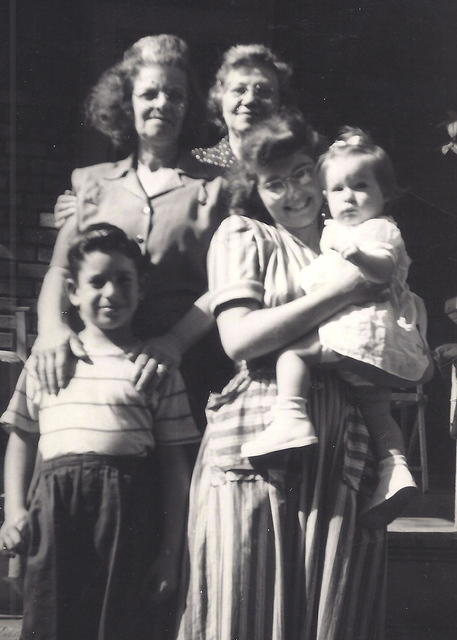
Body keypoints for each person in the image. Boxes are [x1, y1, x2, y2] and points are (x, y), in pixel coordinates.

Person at [176, 111, 388, 640]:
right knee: (242, 607)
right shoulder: (243, 235)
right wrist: (340, 294)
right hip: (258, 436)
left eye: (300, 174)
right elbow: (241, 338)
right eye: (274, 183)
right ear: (256, 190)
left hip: (341, 440)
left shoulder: (355, 245)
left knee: (330, 610)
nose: (292, 192)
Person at [0, 224, 201, 640]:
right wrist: (16, 511)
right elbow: (22, 438)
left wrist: (168, 552)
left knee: (121, 621)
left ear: (141, 288)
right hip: (55, 512)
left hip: (130, 511)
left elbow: (174, 467)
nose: (111, 293)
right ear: (72, 291)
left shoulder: (153, 366)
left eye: (123, 280)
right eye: (97, 282)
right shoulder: (48, 360)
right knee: (52, 618)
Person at [33, 34, 230, 429]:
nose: (162, 104)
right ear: (127, 103)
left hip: (184, 371)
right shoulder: (90, 183)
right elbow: (60, 270)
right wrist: (51, 327)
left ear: (189, 107)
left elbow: (226, 284)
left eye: (175, 95)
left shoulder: (216, 188)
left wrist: (174, 341)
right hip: (99, 372)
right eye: (149, 93)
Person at [242, 127, 433, 527]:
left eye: (361, 186)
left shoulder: (377, 230)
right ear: (325, 197)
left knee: (293, 353)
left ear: (384, 193)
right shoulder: (337, 233)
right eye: (338, 189)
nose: (349, 197)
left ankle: (291, 416)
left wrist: (357, 255)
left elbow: (381, 271)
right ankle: (395, 469)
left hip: (363, 333)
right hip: (369, 345)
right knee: (377, 410)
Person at [192, 43, 293, 170]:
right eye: (239, 90)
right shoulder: (196, 164)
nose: (250, 100)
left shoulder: (295, 165)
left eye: (263, 91)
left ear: (280, 103)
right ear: (220, 98)